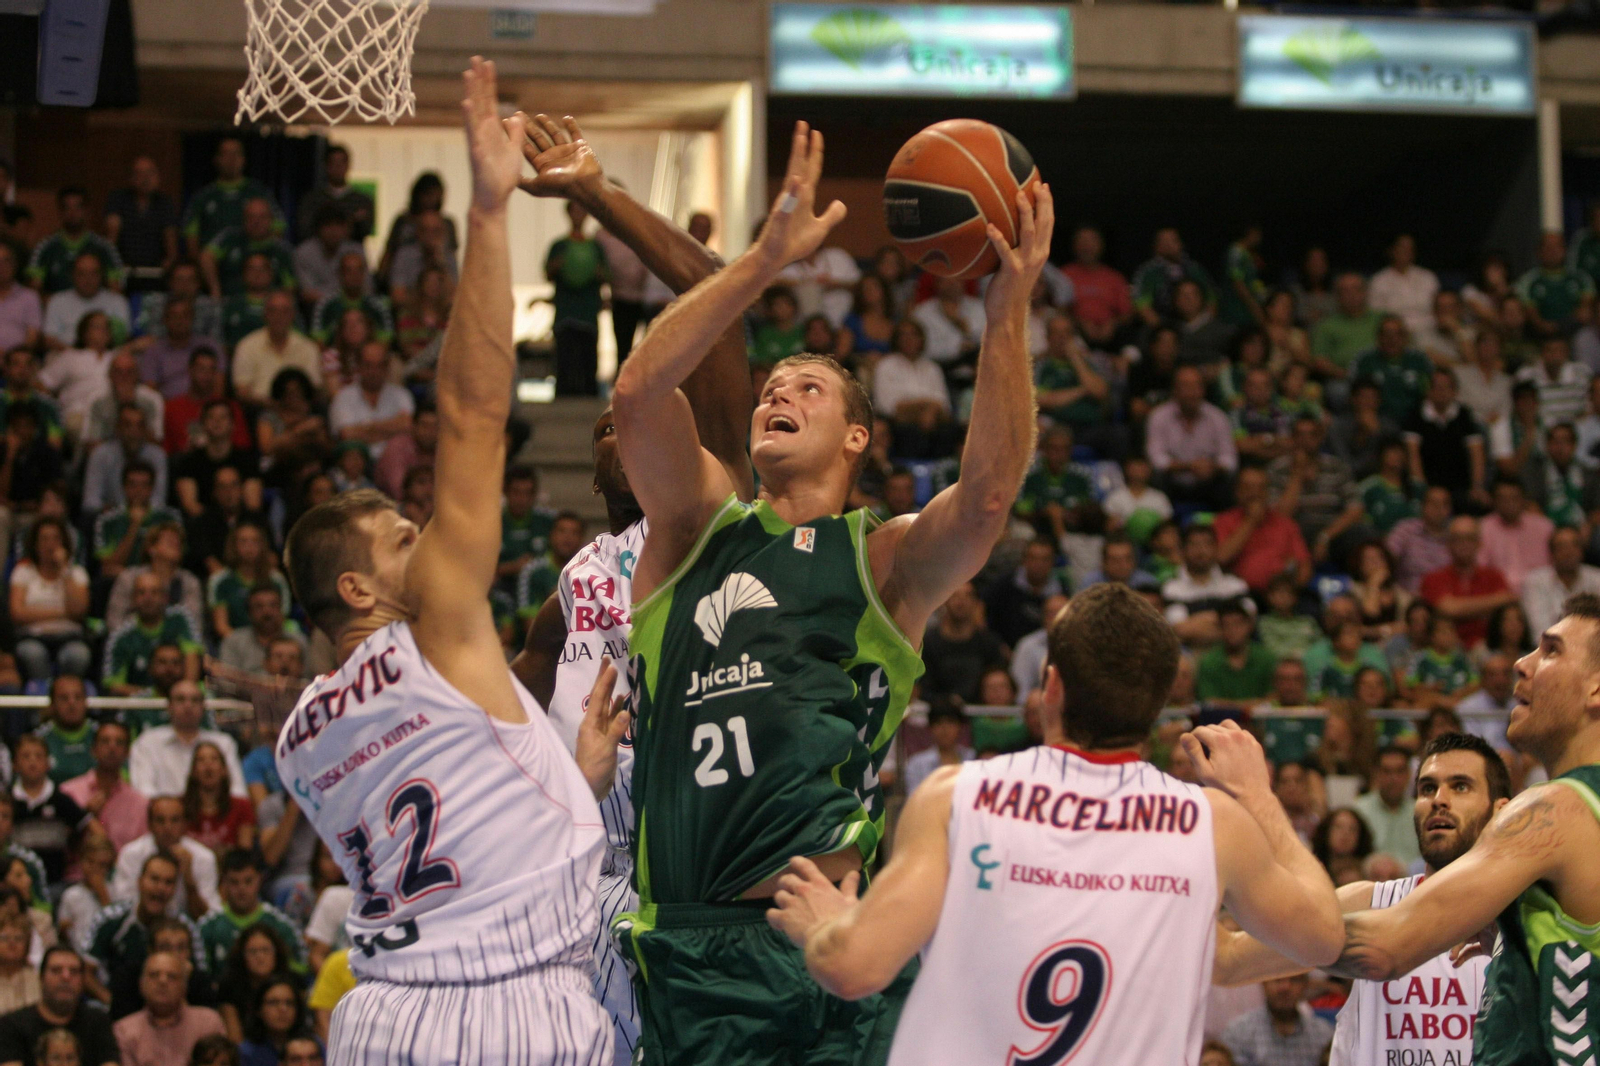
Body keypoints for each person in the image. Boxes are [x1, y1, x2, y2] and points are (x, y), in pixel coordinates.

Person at [599, 118, 1048, 1064]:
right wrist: (759, 264)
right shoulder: (694, 531)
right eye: (771, 386)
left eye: (807, 388)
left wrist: (1006, 311)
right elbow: (639, 394)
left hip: (816, 940)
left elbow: (990, 495)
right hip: (684, 942)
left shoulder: (879, 561)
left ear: (856, 439)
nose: (778, 394)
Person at [274, 60, 616, 1065]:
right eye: (400, 537)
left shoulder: (301, 734)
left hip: (383, 1017)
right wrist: (489, 209)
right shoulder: (439, 637)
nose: (425, 538)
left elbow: (456, 834)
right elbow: (471, 416)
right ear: (360, 590)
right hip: (511, 1012)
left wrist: (568, 778)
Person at [766, 583, 1344, 1064]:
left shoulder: (958, 795)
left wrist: (828, 925)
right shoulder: (1212, 824)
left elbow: (852, 967)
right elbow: (1322, 938)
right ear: (1157, 704)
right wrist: (1258, 796)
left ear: (1053, 686)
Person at [507, 108, 760, 1065]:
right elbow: (504, 699)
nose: (620, 431)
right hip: (587, 882)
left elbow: (716, 291)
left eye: (639, 421)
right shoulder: (573, 583)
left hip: (699, 870)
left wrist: (594, 193)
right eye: (607, 429)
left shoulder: (715, 518)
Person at [1222, 733, 1510, 1064]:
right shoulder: (1370, 903)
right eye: (1427, 789)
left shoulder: (1528, 921)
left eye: (1460, 786)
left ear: (1500, 810)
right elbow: (1231, 960)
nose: (1438, 800)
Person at [85, 853, 205, 1019]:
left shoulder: (186, 927)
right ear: (140, 881)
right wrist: (115, 1003)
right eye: (154, 879)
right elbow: (86, 972)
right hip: (115, 1007)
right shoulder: (110, 919)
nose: (160, 888)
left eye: (168, 882)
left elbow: (200, 976)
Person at [0, 948, 118, 1066]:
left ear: (83, 981)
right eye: (56, 970)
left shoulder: (98, 1022)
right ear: (41, 978)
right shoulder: (11, 1025)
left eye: (74, 971)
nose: (66, 977)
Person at [111, 798, 221, 922]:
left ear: (185, 824)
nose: (167, 827)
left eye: (175, 820)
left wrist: (189, 880)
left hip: (186, 931)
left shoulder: (204, 858)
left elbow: (209, 919)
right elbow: (121, 905)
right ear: (150, 824)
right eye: (160, 820)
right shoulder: (131, 854)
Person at [127, 683, 243, 800]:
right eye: (180, 699)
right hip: (164, 814)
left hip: (214, 815)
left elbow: (237, 791)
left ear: (203, 707)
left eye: (195, 700)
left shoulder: (223, 743)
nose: (188, 705)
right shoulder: (148, 741)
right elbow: (143, 791)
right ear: (169, 706)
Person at [9, 519, 90, 683]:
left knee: (79, 655)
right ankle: (43, 696)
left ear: (64, 543)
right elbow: (17, 613)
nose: (50, 544)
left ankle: (68, 695)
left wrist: (64, 569)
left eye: (55, 538)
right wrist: (62, 613)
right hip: (33, 637)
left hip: (69, 637)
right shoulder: (23, 572)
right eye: (44, 539)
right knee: (33, 653)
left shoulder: (76, 573)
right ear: (35, 545)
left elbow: (79, 611)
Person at [1146, 365, 1237, 510]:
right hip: (1172, 482)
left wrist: (1213, 467)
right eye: (1186, 386)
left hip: (1208, 482)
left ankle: (1223, 526)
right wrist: (1188, 467)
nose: (1192, 392)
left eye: (1197, 386)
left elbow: (1229, 459)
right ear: (1174, 390)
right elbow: (1156, 459)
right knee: (1156, 477)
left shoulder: (1218, 417)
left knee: (1228, 479)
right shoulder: (1159, 416)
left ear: (1204, 390)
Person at [110, 951, 225, 1066]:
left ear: (185, 986)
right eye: (154, 975)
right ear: (141, 984)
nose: (162, 981)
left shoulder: (208, 1023)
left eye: (172, 976)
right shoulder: (124, 1030)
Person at [1419, 516, 1515, 649]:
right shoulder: (1433, 578)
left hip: (1489, 649)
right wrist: (1494, 602)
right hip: (1444, 649)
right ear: (1448, 543)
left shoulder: (1495, 576)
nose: (1463, 544)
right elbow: (1448, 609)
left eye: (1469, 538)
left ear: (1479, 543)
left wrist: (1461, 607)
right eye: (1457, 539)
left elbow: (1508, 605)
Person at [1214, 465, 1312, 593]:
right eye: (1248, 487)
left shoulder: (1285, 524)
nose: (1255, 493)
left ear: (1267, 492)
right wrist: (1250, 521)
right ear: (1237, 491)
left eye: (1260, 488)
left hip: (1281, 594)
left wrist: (1290, 591)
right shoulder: (1223, 521)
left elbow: (1304, 566)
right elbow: (1220, 558)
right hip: (1239, 594)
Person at [8, 734, 88, 886]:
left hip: (56, 882)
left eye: (38, 756)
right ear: (15, 764)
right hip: (15, 885)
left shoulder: (61, 800)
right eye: (26, 756)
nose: (32, 761)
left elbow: (89, 827)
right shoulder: (8, 801)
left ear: (48, 763)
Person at [101, 576, 201, 696]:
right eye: (141, 593)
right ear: (132, 599)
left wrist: (182, 695)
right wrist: (154, 697)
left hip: (182, 700)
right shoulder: (121, 637)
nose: (148, 598)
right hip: (140, 707)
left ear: (165, 597)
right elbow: (114, 685)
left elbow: (192, 657)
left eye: (154, 592)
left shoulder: (180, 619)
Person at [182, 139, 279, 258]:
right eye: (226, 154)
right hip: (213, 266)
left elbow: (278, 228)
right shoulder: (203, 196)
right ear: (217, 159)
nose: (231, 159)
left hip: (253, 267)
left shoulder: (259, 192)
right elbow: (191, 236)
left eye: (236, 154)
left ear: (244, 159)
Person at [59, 722, 145, 856]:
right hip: (76, 874)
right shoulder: (68, 793)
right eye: (105, 741)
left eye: (119, 742)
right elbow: (59, 846)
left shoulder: (140, 803)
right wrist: (83, 817)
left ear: (128, 752)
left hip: (121, 874)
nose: (112, 747)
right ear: (93, 749)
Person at [1163, 524, 1254, 647]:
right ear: (1183, 550)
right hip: (1191, 653)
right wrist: (1224, 623)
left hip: (1230, 652)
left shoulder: (1234, 584)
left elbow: (1248, 622)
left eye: (1207, 544)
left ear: (1216, 548)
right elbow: (1180, 629)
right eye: (1194, 545)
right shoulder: (1172, 588)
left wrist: (1198, 621)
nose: (1201, 551)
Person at [1218, 974, 1334, 1066]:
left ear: (1305, 984)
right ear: (1263, 982)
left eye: (1294, 979)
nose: (1285, 987)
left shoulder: (1323, 1035)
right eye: (1277, 979)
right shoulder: (1238, 1033)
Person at [26, 189, 124, 297]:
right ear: (60, 212)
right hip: (57, 310)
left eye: (78, 207)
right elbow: (34, 291)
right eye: (67, 208)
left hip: (96, 310)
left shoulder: (105, 247)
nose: (72, 213)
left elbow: (116, 290)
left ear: (87, 211)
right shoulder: (45, 247)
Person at [232, 293, 322, 407]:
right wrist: (275, 406)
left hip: (300, 410)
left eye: (285, 311)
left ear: (293, 315)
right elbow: (242, 392)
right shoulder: (246, 345)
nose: (279, 316)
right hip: (259, 409)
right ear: (265, 314)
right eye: (273, 311)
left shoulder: (308, 347)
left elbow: (315, 389)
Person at [327, 343, 411, 461]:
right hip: (358, 464)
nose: (374, 371)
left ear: (387, 367)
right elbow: (346, 435)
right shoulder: (343, 397)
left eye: (379, 365)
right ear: (359, 366)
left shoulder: (402, 395)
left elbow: (407, 426)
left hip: (394, 460)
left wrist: (366, 427)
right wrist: (391, 428)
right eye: (368, 365)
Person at [1477, 476, 1553, 597]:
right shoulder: (1482, 528)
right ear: (1493, 501)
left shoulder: (1544, 527)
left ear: (1524, 499)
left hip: (1541, 592)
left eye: (1514, 498)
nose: (1508, 503)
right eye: (1502, 498)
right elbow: (1480, 568)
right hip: (1499, 594)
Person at [1351, 746, 1423, 868]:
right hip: (1369, 881)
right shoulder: (1359, 810)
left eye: (1399, 771)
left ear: (1409, 775)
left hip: (1414, 881)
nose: (1393, 778)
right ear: (1376, 773)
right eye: (1387, 771)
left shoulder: (1420, 811)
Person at [41, 255, 129, 352]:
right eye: (82, 273)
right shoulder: (57, 300)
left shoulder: (118, 301)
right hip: (65, 356)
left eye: (93, 273)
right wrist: (78, 356)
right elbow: (49, 339)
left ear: (102, 275)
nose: (88, 279)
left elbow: (122, 339)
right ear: (72, 275)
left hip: (106, 357)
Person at [1524, 525, 1600, 636]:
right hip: (1549, 648)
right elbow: (1540, 631)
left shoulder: (1597, 578)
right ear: (1551, 553)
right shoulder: (1535, 581)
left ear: (1582, 550)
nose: (1568, 552)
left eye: (1574, 545)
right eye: (1562, 546)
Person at [181, 745, 255, 854]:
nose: (208, 765)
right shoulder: (178, 807)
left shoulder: (242, 806)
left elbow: (244, 853)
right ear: (193, 772)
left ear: (224, 770)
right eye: (201, 760)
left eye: (214, 759)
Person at [236, 978, 311, 1066]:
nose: (283, 1009)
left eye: (289, 1003)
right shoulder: (245, 1053)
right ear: (258, 1010)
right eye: (273, 1002)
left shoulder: (314, 1047)